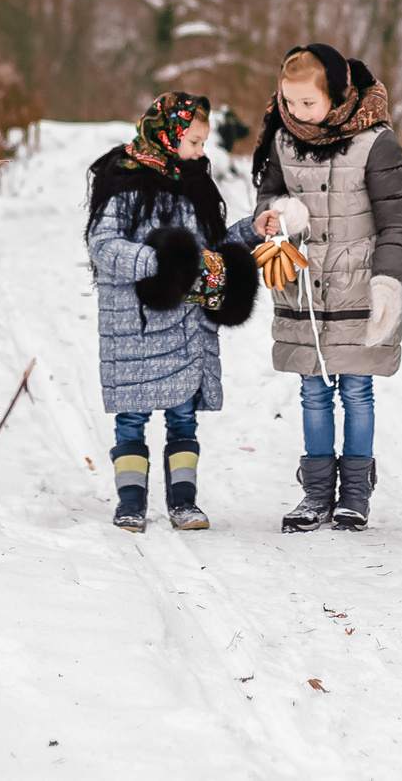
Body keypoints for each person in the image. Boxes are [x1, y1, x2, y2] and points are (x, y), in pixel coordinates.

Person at [250, 44, 402, 532]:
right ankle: (317, 494)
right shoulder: (282, 139)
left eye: (308, 103)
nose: (297, 112)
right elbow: (267, 196)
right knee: (313, 390)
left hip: (357, 286)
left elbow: (397, 222)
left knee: (357, 389)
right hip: (303, 286)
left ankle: (356, 495)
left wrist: (389, 282)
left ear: (338, 95)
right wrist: (275, 213)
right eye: (289, 101)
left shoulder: (376, 142)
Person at [84, 91, 261, 532]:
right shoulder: (124, 180)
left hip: (185, 325)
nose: (200, 152)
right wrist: (158, 263)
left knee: (183, 416)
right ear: (168, 133)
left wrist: (251, 231)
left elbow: (211, 247)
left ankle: (184, 502)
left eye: (203, 143)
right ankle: (131, 502)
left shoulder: (195, 182)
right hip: (137, 323)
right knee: (132, 417)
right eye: (194, 142)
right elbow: (103, 245)